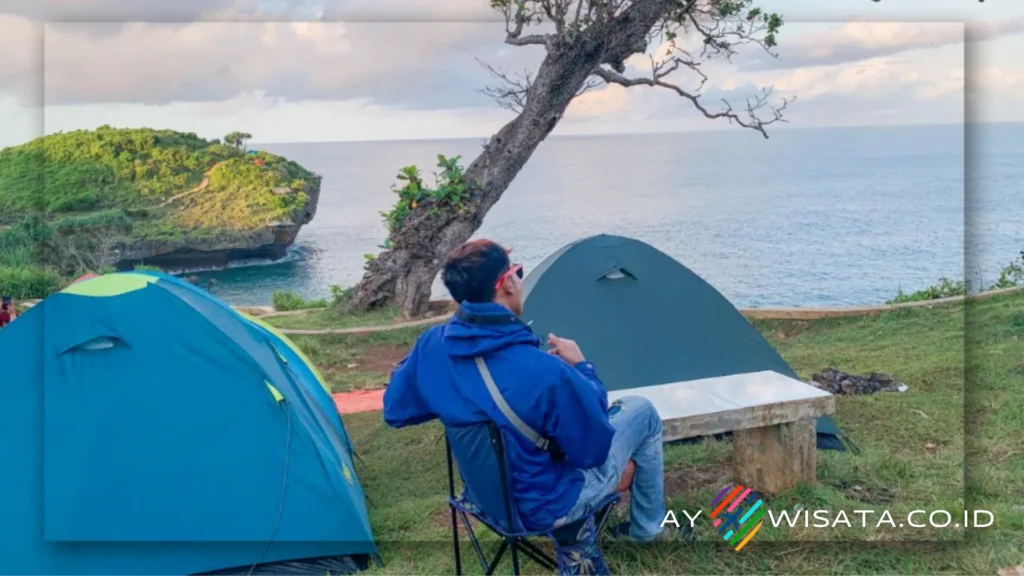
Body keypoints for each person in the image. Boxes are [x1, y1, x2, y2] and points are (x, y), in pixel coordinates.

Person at [383, 239, 686, 542]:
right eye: (518, 272)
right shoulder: (543, 371)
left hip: (487, 500)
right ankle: (649, 530)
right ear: (506, 284)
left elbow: (396, 410)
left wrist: (459, 396)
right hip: (548, 507)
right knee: (641, 411)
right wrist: (582, 369)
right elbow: (593, 452)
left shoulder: (431, 345)